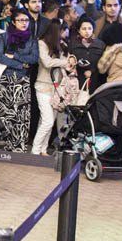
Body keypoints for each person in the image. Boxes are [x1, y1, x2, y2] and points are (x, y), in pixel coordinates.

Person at [0, 9, 38, 152]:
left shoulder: (32, 39)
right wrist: (20, 64)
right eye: (21, 20)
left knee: (20, 114)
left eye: (26, 20)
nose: (24, 23)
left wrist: (15, 55)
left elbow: (34, 58)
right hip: (5, 80)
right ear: (13, 22)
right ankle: (2, 146)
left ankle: (18, 147)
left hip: (22, 81)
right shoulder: (4, 37)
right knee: (4, 114)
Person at [32, 19, 72, 155]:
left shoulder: (60, 46)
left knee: (47, 120)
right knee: (48, 121)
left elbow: (64, 66)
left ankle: (43, 149)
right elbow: (47, 62)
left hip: (57, 89)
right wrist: (64, 62)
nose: (66, 33)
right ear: (57, 31)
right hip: (43, 86)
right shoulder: (42, 43)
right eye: (63, 30)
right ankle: (35, 150)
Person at [69, 17, 105, 93]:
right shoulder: (73, 44)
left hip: (97, 81)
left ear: (93, 30)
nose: (87, 31)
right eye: (84, 29)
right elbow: (70, 63)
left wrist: (92, 71)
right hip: (78, 81)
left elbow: (103, 63)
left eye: (89, 28)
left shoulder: (100, 45)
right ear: (79, 30)